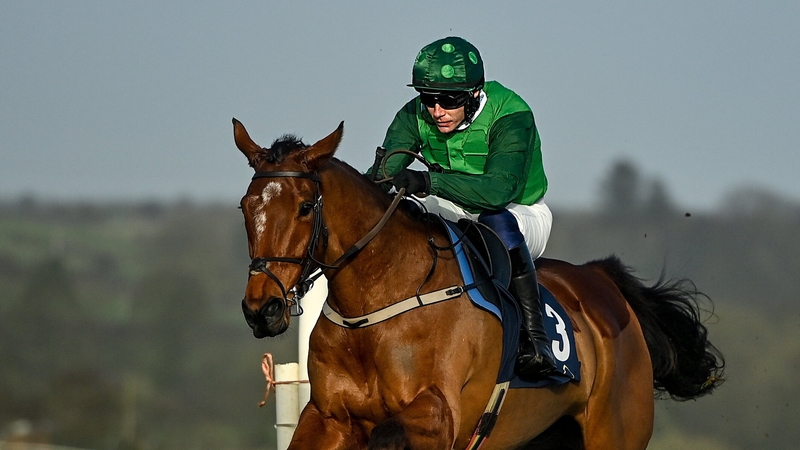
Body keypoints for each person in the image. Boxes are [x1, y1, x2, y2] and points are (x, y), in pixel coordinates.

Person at [374, 36, 557, 379]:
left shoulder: (512, 114)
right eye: (428, 98)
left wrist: (426, 182)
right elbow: (385, 174)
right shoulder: (416, 113)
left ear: (474, 93)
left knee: (495, 221)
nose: (436, 110)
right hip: (453, 206)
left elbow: (497, 193)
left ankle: (535, 340)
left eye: (448, 100)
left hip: (520, 213)